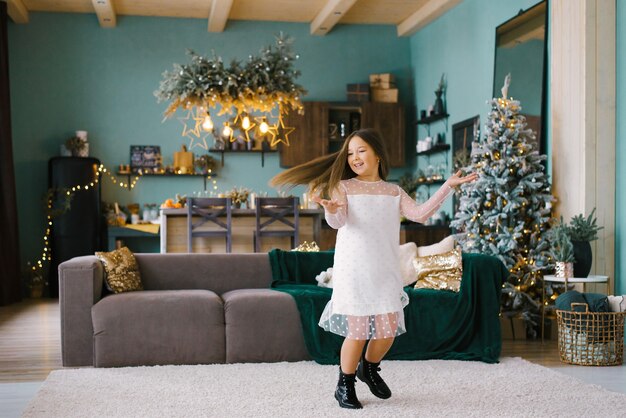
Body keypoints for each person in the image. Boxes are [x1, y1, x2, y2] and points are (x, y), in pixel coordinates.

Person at [270, 128, 477, 409]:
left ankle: (369, 367)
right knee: (356, 332)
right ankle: (345, 383)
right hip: (354, 271)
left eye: (361, 151)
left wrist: (447, 186)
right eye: (351, 153)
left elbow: (421, 214)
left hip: (385, 270)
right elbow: (338, 220)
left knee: (388, 331)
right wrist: (331, 209)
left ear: (377, 154)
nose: (355, 157)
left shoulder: (393, 191)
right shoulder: (343, 187)